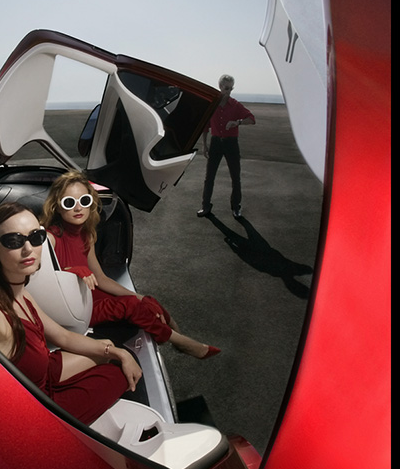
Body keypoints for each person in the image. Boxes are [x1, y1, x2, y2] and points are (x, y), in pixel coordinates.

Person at [0, 202, 142, 424]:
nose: (28, 249)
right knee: (122, 373)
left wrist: (117, 352)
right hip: (35, 409)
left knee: (116, 352)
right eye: (14, 241)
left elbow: (63, 336)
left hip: (44, 371)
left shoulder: (20, 291)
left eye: (36, 237)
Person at [42, 172, 219, 360]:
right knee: (132, 306)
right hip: (74, 309)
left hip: (90, 295)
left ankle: (177, 336)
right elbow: (39, 284)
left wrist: (140, 296)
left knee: (147, 302)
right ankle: (181, 342)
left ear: (91, 203)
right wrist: (70, 272)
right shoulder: (50, 238)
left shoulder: (86, 234)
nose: (78, 208)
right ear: (57, 207)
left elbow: (100, 278)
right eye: (69, 203)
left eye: (84, 201)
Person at [198, 74, 255, 218]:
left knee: (235, 177)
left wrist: (238, 122)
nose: (229, 91)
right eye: (226, 88)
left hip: (231, 144)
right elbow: (205, 126)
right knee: (209, 177)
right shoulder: (212, 104)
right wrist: (204, 145)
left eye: (231, 89)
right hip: (216, 143)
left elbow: (251, 119)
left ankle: (236, 207)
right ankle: (205, 206)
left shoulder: (235, 105)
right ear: (220, 86)